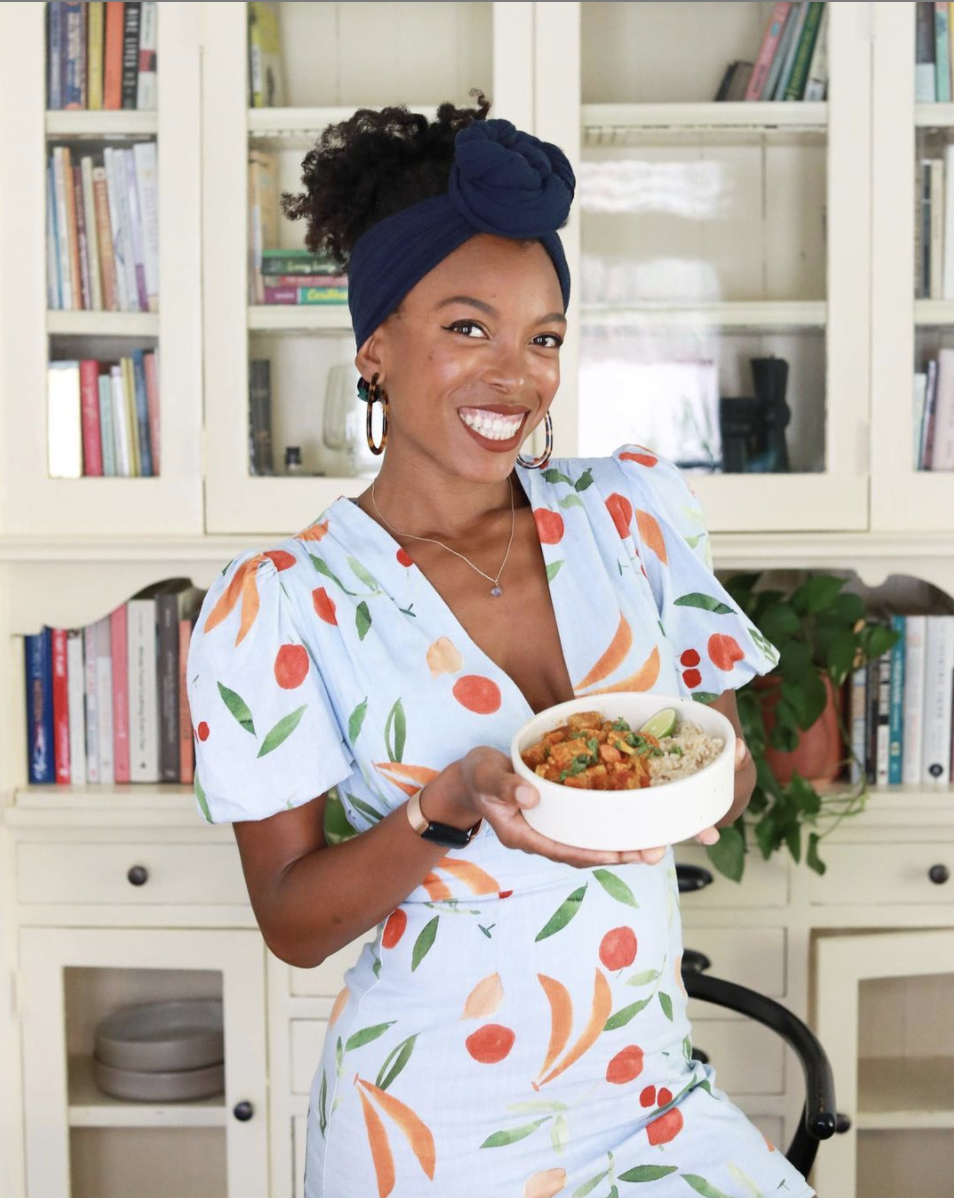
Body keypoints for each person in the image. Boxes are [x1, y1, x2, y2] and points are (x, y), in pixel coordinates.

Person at [187, 93, 815, 1198]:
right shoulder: (284, 601)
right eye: (467, 328)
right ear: (375, 347)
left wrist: (699, 784)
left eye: (544, 338)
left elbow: (722, 763)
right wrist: (449, 803)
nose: (515, 376)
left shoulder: (627, 514)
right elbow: (292, 918)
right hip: (431, 1124)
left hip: (648, 1095)